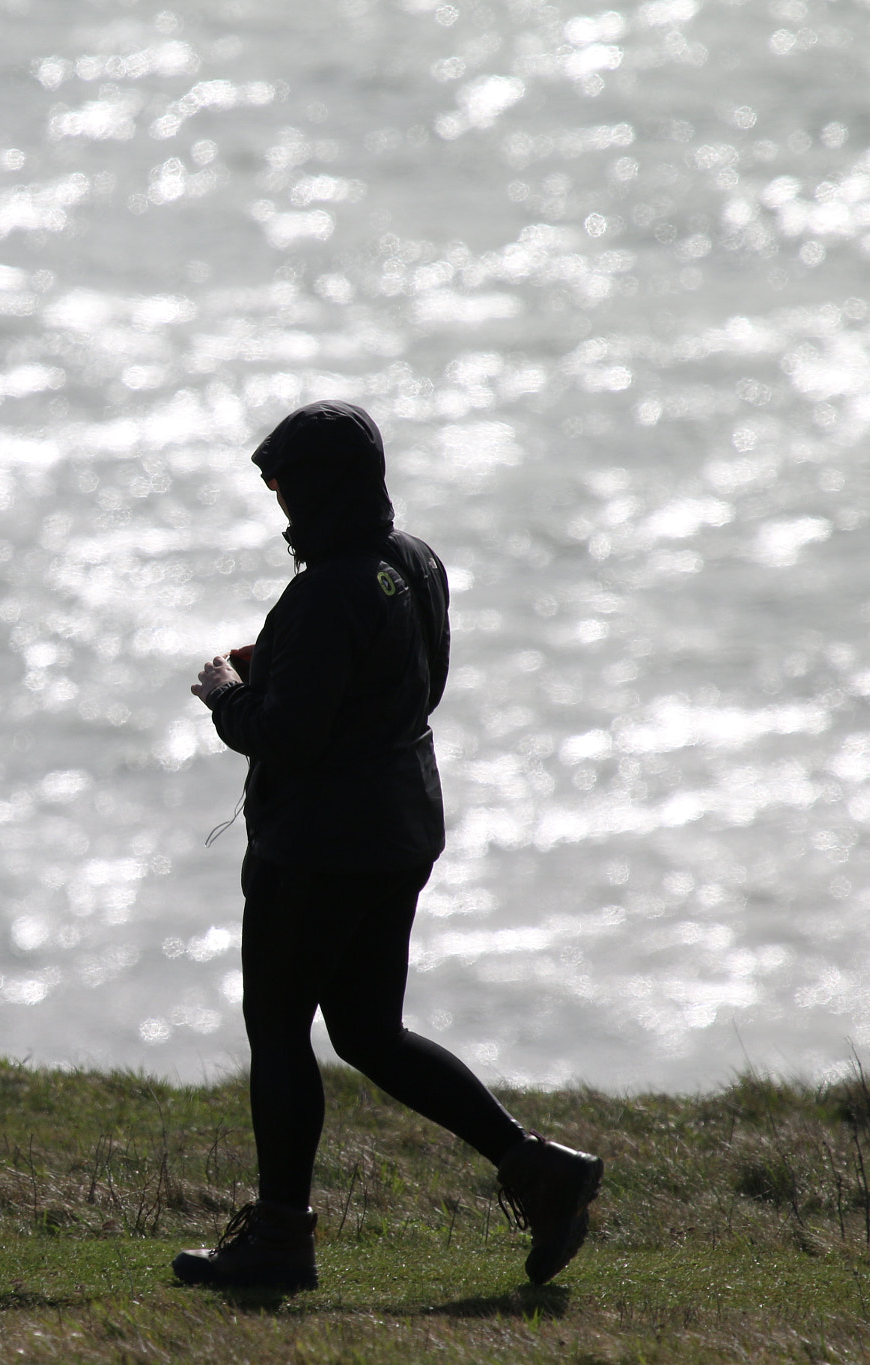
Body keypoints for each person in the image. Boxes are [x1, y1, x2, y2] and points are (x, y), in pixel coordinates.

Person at [172, 400, 602, 1293]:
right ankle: (540, 1169)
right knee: (367, 1029)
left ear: (324, 486)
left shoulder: (326, 588)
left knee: (280, 1028)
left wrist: (225, 692)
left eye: (287, 488)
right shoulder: (413, 562)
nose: (281, 509)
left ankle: (281, 1240)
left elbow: (286, 735)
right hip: (399, 828)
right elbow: (417, 682)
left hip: (321, 848)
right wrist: (290, 661)